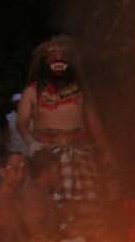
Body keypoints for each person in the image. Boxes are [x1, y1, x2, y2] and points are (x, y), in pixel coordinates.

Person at [17, 35, 110, 207]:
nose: (58, 62)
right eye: (53, 58)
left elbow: (94, 123)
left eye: (63, 58)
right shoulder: (32, 91)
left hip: (79, 154)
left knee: (87, 204)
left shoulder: (80, 91)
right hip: (49, 156)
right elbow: (21, 125)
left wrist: (106, 150)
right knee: (51, 204)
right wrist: (32, 144)